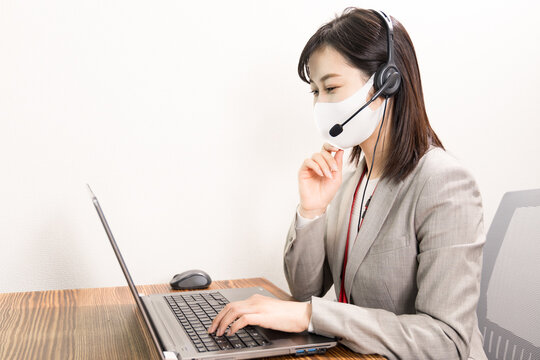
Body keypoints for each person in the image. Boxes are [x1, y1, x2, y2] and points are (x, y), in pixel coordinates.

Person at [209, 7, 487, 360]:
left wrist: (313, 315)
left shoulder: (444, 182)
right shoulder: (351, 181)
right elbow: (305, 289)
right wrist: (312, 210)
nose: (321, 104)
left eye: (332, 87)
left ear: (387, 83)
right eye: (315, 91)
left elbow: (446, 341)